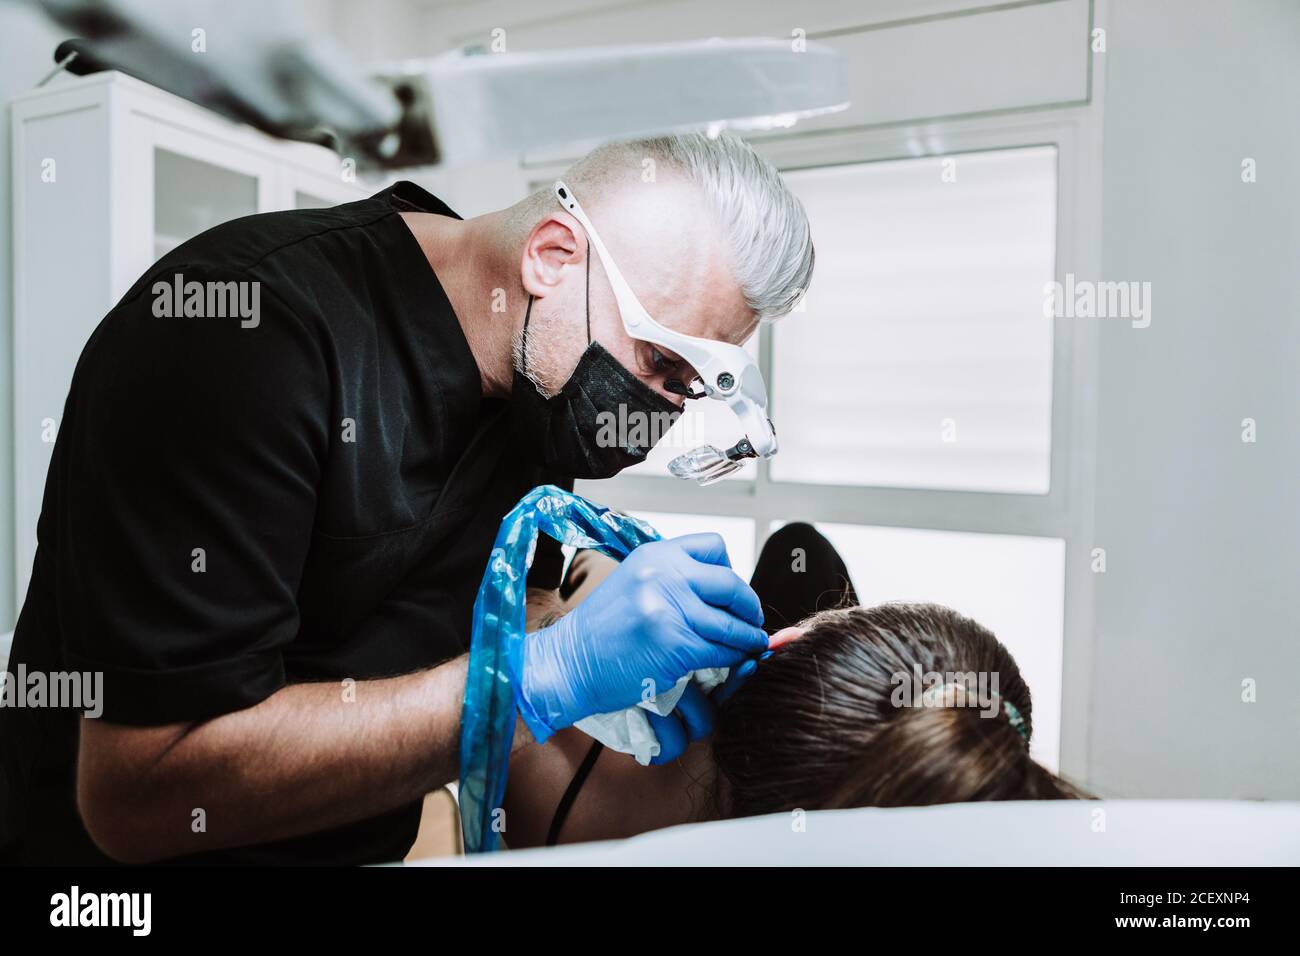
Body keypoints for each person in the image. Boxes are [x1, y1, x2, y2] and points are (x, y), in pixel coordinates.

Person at [0, 131, 813, 864]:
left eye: (689, 389)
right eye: (659, 366)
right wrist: (535, 681)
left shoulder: (537, 396)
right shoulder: (247, 334)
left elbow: (490, 605)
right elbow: (141, 796)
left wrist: (631, 650)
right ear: (553, 256)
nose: (661, 413)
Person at [503, 523, 1084, 848]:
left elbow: (512, 607)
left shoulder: (547, 765)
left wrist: (566, 637)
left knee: (799, 549)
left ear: (786, 642)